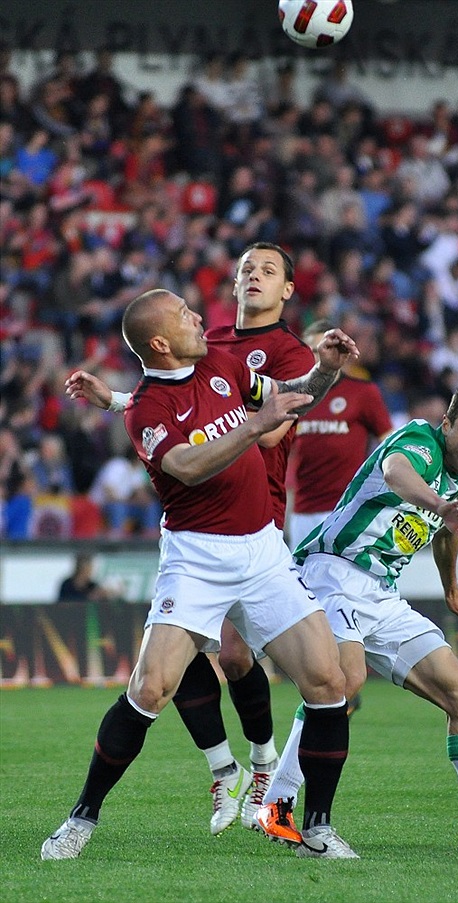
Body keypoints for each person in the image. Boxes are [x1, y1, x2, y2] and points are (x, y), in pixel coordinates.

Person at [41, 288, 360, 861]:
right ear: (159, 342)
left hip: (261, 550)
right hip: (196, 558)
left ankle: (316, 829)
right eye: (186, 315)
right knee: (149, 689)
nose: (198, 317)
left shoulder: (219, 362)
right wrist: (252, 427)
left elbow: (288, 398)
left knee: (327, 682)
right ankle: (80, 820)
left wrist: (325, 373)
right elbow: (187, 467)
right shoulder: (145, 409)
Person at [255, 376, 458, 855]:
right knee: (343, 682)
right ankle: (278, 805)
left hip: (382, 596)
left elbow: (447, 532)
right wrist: (435, 503)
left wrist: (452, 587)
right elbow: (395, 472)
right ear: (446, 423)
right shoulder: (420, 442)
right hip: (333, 572)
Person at [287, 319, 394, 551]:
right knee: (302, 582)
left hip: (348, 508)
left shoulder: (363, 392)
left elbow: (390, 441)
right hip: (303, 511)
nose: (318, 357)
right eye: (312, 352)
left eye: (324, 350)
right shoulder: (295, 397)